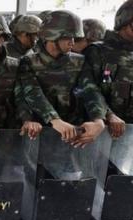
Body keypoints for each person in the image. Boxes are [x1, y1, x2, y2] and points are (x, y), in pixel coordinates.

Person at [17, 10, 106, 147]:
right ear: (53, 36)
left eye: (74, 38)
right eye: (68, 38)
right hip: (41, 134)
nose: (72, 42)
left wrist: (98, 120)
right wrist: (55, 120)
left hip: (73, 134)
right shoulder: (29, 61)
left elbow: (90, 89)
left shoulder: (79, 61)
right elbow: (33, 93)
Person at [79, 0, 133, 139]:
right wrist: (108, 115)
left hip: (129, 136)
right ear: (124, 22)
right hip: (100, 131)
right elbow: (88, 88)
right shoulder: (97, 51)